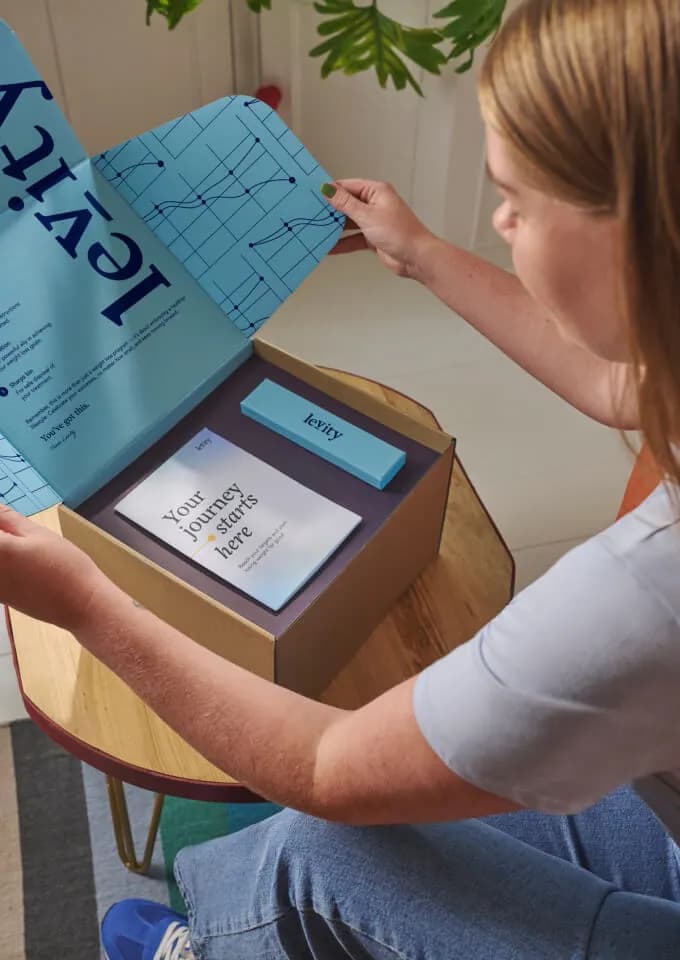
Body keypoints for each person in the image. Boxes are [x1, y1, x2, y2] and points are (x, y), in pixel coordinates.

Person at [3, 0, 680, 956]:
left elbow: (325, 764)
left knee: (335, 848)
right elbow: (627, 385)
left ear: (640, 234)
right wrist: (427, 257)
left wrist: (82, 602)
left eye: (517, 200)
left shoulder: (644, 596)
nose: (499, 220)